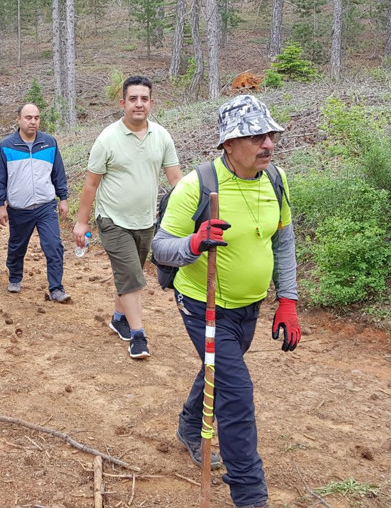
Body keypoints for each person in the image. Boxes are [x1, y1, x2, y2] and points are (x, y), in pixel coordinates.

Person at [151, 94, 301, 508]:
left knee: (218, 368)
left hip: (247, 308)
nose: (267, 143)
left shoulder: (277, 180)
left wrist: (287, 300)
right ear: (229, 144)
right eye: (255, 136)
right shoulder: (197, 185)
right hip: (203, 306)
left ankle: (187, 425)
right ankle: (250, 496)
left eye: (269, 134)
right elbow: (160, 248)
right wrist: (196, 242)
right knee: (236, 396)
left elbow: (283, 240)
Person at [72, 76, 182, 358]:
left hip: (146, 221)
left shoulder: (162, 136)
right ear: (123, 103)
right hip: (112, 221)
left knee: (127, 276)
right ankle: (138, 335)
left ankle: (119, 318)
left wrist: (191, 212)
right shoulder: (107, 139)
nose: (139, 104)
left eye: (144, 99)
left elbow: (176, 180)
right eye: (133, 99)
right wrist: (82, 222)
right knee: (132, 277)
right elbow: (91, 185)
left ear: (151, 103)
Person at [0, 103, 70, 303]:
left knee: (53, 246)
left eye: (36, 117)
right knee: (17, 246)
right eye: (28, 117)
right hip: (19, 208)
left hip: (46, 206)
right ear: (19, 119)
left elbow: (58, 173)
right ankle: (15, 276)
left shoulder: (49, 143)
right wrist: (0, 205)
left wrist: (64, 198)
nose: (33, 121)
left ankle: (56, 288)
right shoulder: (6, 146)